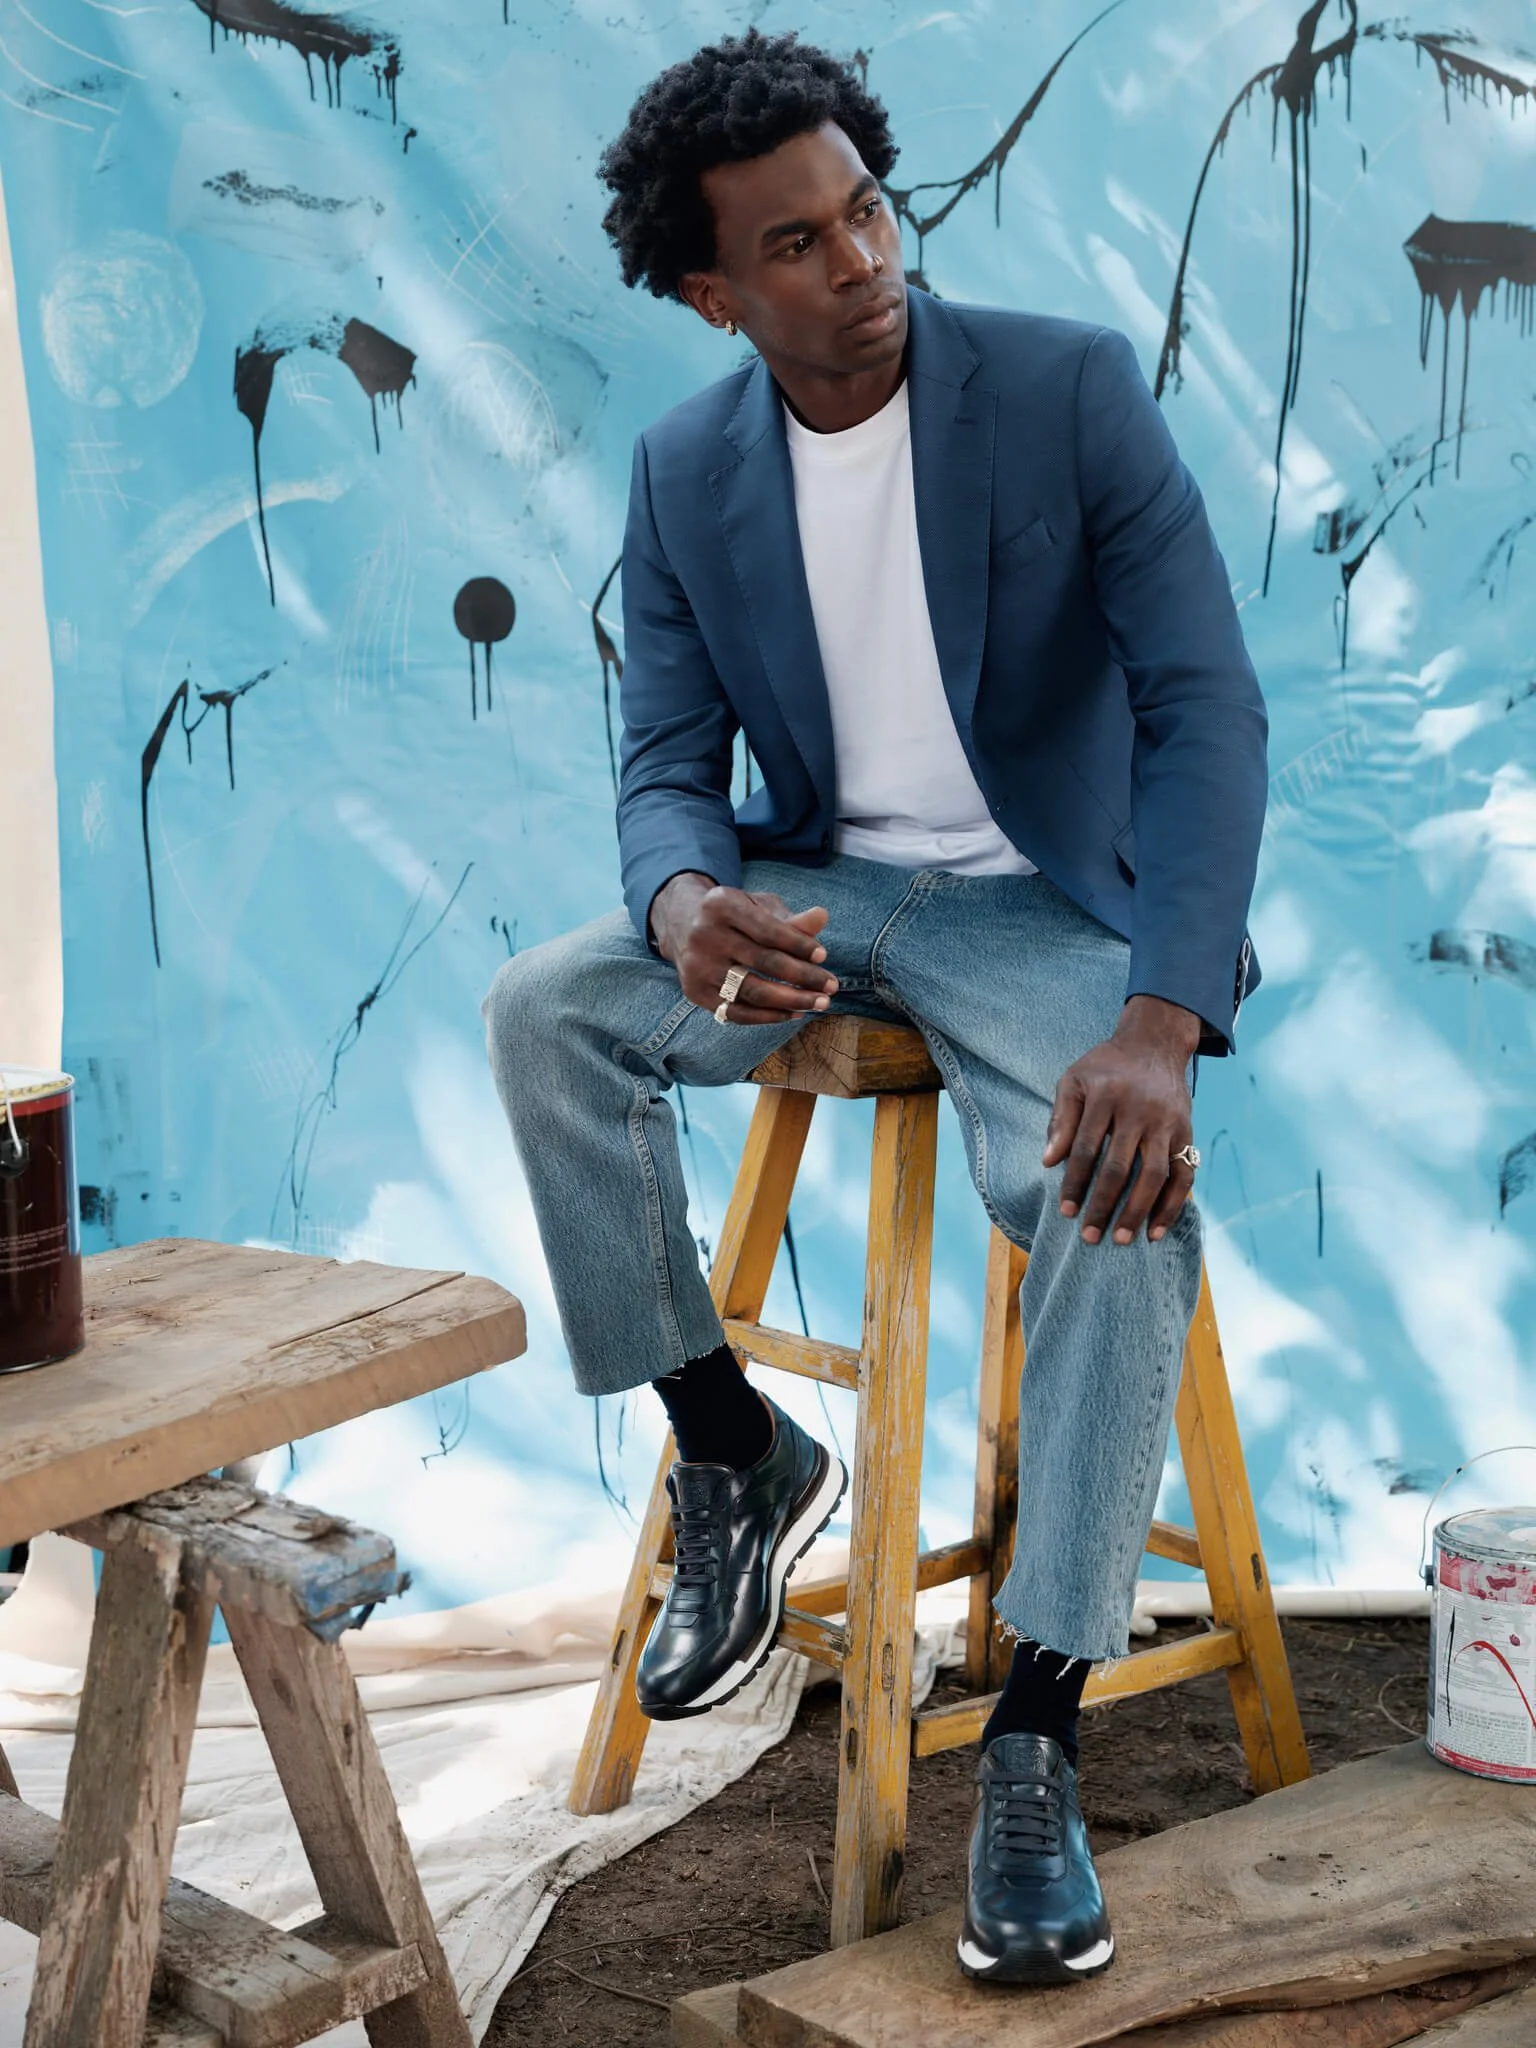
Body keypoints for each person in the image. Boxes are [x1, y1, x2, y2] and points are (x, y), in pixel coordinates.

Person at [485, 29, 1266, 1985]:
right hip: (823, 892)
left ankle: (1035, 1728)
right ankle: (731, 1446)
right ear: (711, 289)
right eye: (801, 245)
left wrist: (1161, 1016)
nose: (861, 261)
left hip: (1048, 904)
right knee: (541, 1013)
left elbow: (1204, 709)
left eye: (867, 212)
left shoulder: (1067, 391)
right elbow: (665, 754)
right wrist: (679, 900)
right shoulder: (685, 474)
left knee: (1110, 1185)